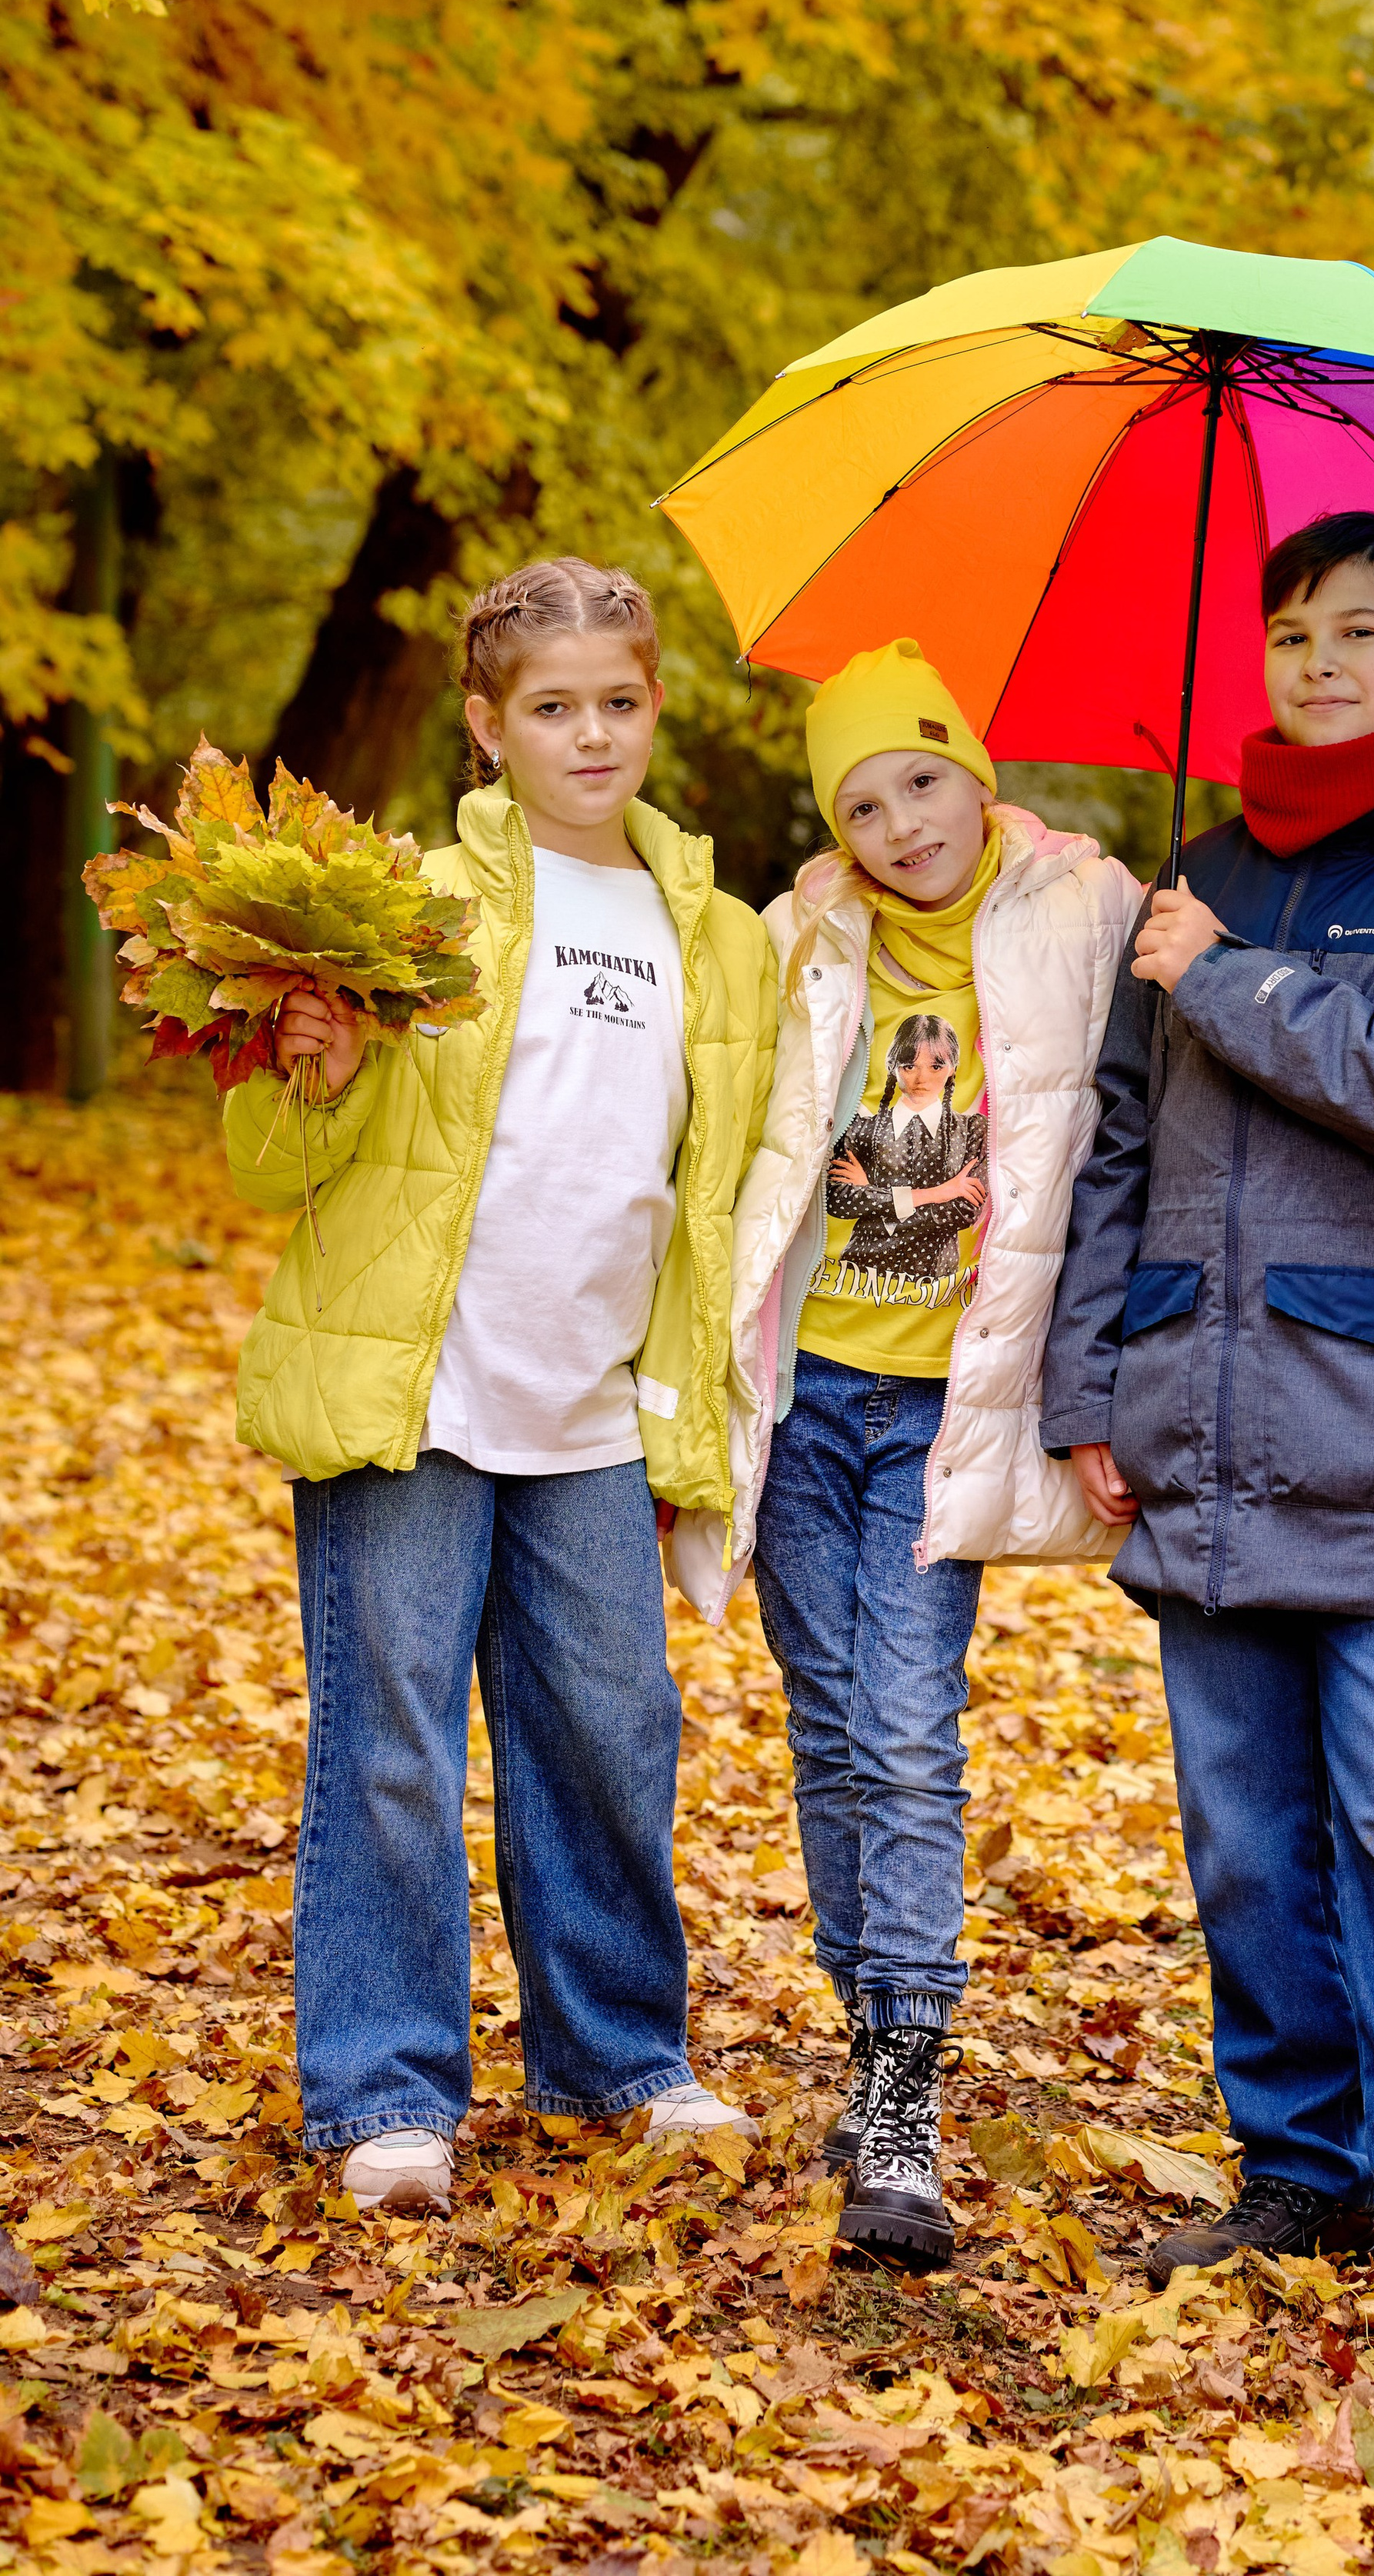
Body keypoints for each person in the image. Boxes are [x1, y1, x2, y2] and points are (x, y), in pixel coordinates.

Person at [1041, 511, 1374, 2402]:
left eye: (1358, 629)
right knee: (1245, 1845)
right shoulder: (1202, 872)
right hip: (1200, 1426)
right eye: (1287, 631)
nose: (1317, 660)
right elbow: (1117, 1146)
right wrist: (1087, 1387)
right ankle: (1296, 2171)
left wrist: (1225, 981)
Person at [225, 557, 776, 2211]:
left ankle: (615, 2052)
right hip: (419, 1391)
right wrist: (313, 1071)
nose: (589, 734)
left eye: (617, 701)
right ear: (486, 727)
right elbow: (266, 1158)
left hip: (600, 1408)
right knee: (390, 1739)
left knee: (611, 1731)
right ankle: (383, 2086)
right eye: (551, 708)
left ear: (655, 707)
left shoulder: (721, 939)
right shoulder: (405, 907)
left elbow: (727, 1175)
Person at [705, 640, 1140, 2268]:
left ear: (978, 771)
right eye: (863, 799)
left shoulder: (1082, 912)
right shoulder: (793, 940)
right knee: (830, 1735)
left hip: (948, 1409)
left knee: (901, 1731)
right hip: (806, 1396)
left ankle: (901, 2087)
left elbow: (1136, 1147)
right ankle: (865, 2028)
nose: (901, 824)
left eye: (921, 778)